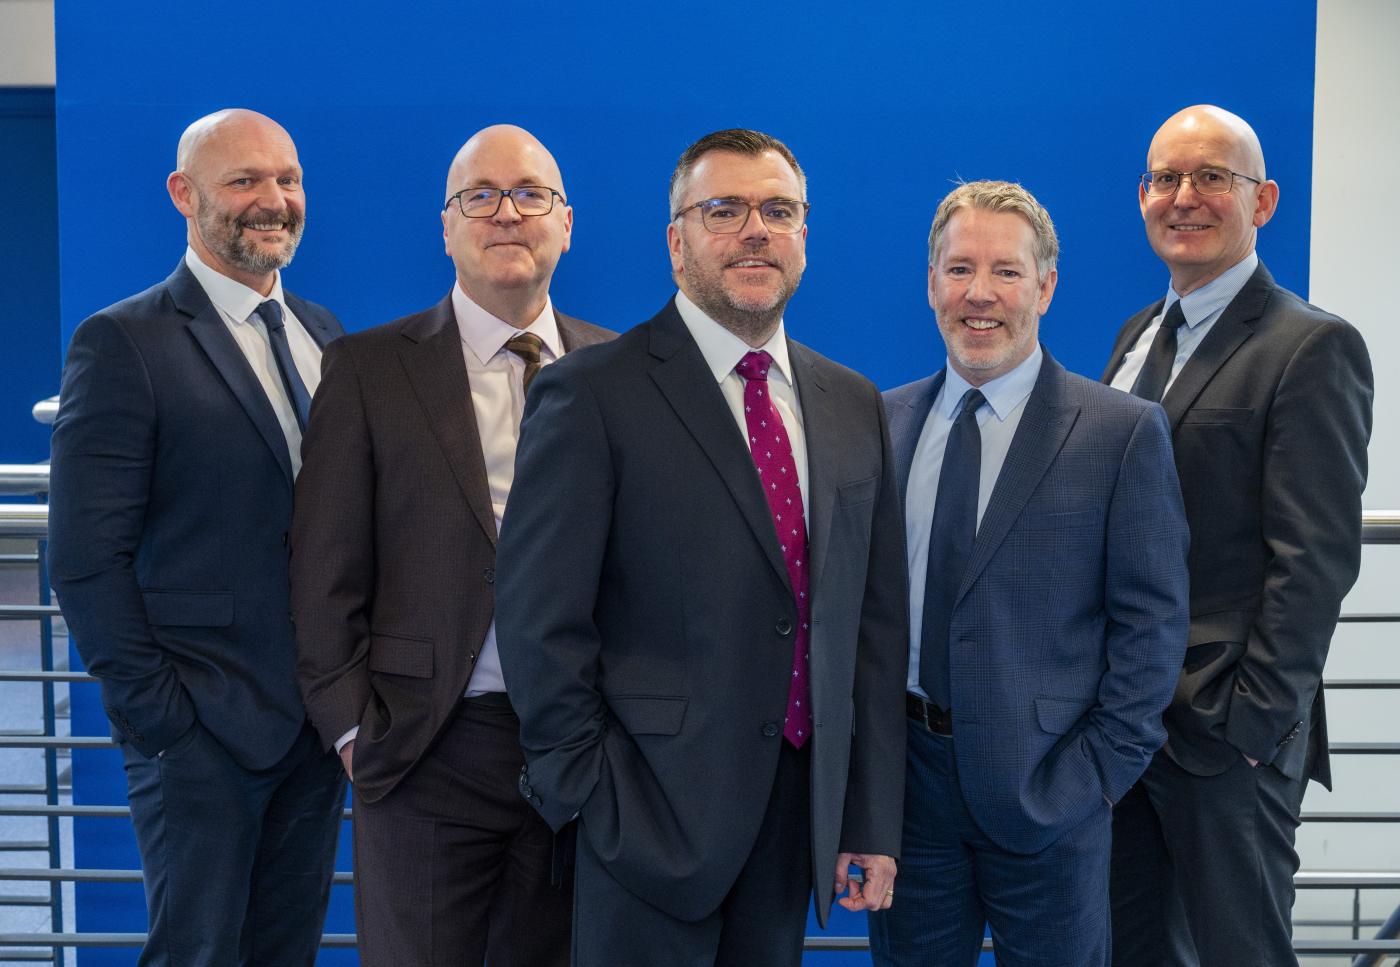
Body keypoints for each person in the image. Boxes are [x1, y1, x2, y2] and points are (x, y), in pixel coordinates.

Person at [493, 128, 908, 967]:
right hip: (642, 824)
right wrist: (590, 795)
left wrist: (862, 816)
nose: (755, 230)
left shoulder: (850, 402)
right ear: (676, 242)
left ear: (804, 237)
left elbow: (870, 630)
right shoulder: (590, 392)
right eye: (725, 210)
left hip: (797, 828)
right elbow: (540, 622)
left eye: (778, 211)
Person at [290, 124, 612, 967]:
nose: (507, 214)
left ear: (567, 222)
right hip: (423, 749)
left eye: (530, 194)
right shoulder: (366, 369)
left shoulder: (620, 369)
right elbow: (324, 569)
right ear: (446, 226)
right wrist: (354, 730)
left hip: (583, 758)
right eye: (481, 196)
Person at [47, 108, 346, 965]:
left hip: (314, 732)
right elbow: (82, 557)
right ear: (185, 194)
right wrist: (161, 722)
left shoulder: (326, 334)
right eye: (244, 180)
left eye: (286, 180)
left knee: (282, 953)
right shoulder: (121, 343)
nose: (273, 200)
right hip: (198, 737)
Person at [869, 180, 1190, 967]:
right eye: (959, 269)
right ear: (931, 283)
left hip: (1052, 797)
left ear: (1045, 287)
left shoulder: (1119, 433)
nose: (980, 294)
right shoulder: (880, 422)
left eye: (1006, 272)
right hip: (907, 798)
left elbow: (1153, 628)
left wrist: (1091, 779)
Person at [1104, 105, 1374, 967]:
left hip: (1226, 737)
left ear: (1264, 201)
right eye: (1165, 179)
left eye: (1212, 177)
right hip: (1120, 727)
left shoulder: (1312, 346)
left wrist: (1250, 725)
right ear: (1142, 195)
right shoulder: (1136, 335)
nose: (1184, 197)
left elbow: (1317, 558)